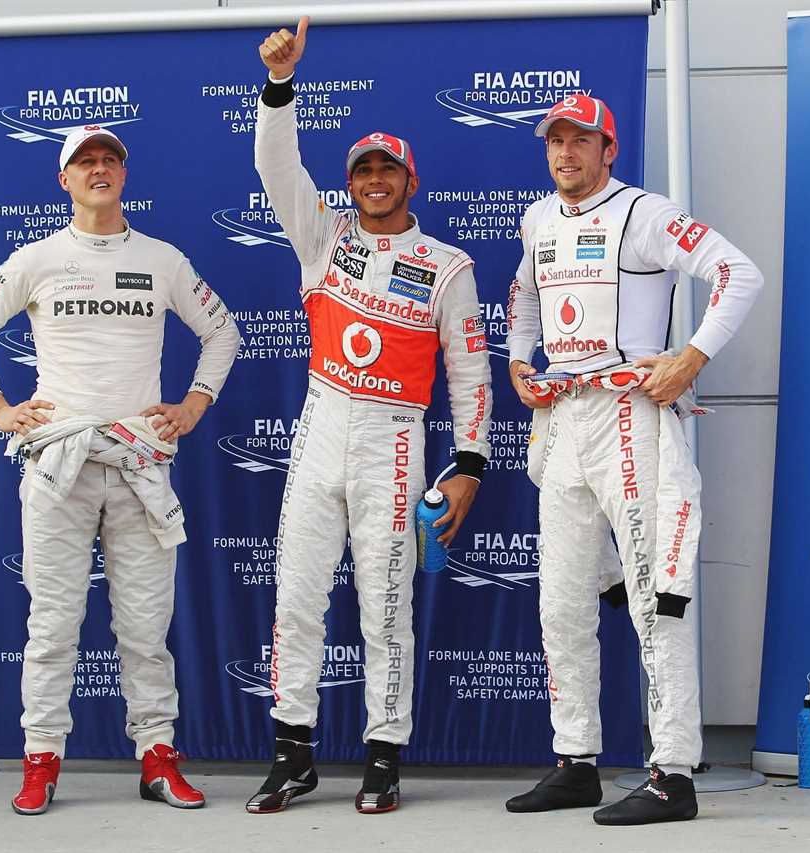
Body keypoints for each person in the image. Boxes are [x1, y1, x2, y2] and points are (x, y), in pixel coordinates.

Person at [0, 125, 241, 815]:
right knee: (52, 622)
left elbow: (222, 330)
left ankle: (158, 758)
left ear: (124, 175)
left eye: (110, 159)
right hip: (59, 463)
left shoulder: (162, 259)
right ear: (64, 180)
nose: (99, 169)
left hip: (139, 459)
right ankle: (42, 758)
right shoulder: (39, 256)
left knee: (145, 625)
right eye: (85, 162)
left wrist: (195, 403)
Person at [248, 17, 492, 815]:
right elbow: (275, 164)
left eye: (389, 169)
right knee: (295, 595)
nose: (375, 180)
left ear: (411, 181)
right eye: (363, 170)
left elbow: (469, 371)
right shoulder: (322, 235)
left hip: (394, 437)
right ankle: (293, 753)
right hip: (321, 424)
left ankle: (384, 755)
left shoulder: (446, 264)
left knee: (385, 603)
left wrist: (469, 464)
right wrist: (281, 87)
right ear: (350, 182)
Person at [502, 95, 763, 826]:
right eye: (555, 141)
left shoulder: (646, 212)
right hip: (563, 422)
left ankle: (673, 772)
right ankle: (576, 760)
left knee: (658, 599)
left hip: (631, 416)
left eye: (580, 140)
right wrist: (521, 361)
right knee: (560, 603)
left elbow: (739, 273)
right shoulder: (537, 218)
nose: (565, 154)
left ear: (608, 148)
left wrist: (691, 357)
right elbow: (526, 296)